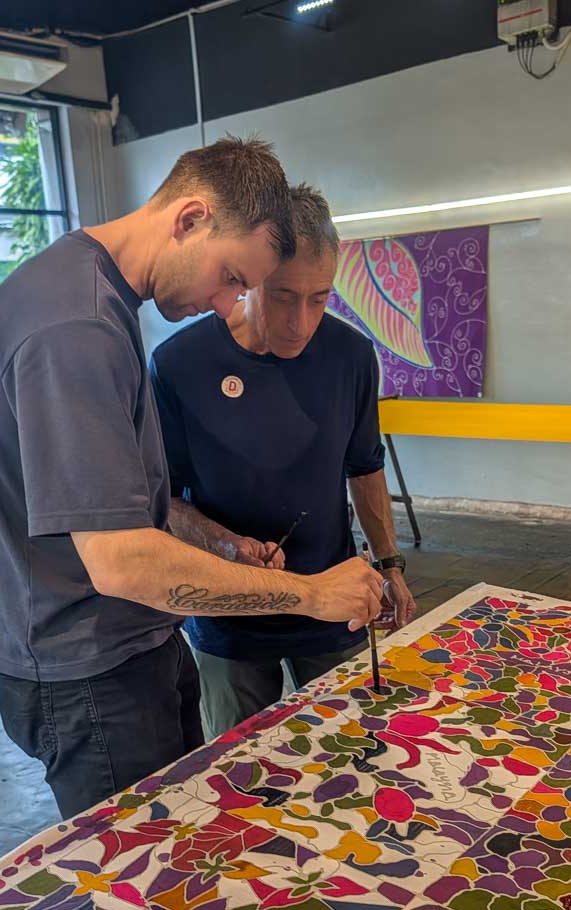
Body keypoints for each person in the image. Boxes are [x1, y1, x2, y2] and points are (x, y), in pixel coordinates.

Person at [0, 139, 382, 820]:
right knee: (142, 890)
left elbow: (138, 505)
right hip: (89, 667)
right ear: (189, 219)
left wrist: (218, 544)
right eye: (230, 277)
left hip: (132, 646)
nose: (226, 306)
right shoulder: (74, 327)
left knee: (186, 842)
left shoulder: (92, 299)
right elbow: (123, 561)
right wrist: (307, 594)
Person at [150, 184, 416, 739]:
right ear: (248, 279)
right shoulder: (180, 364)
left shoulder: (350, 356)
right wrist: (224, 543)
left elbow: (364, 466)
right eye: (282, 296)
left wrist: (390, 565)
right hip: (230, 617)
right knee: (241, 773)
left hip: (333, 604)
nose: (301, 322)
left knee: (348, 754)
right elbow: (165, 499)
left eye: (319, 298)